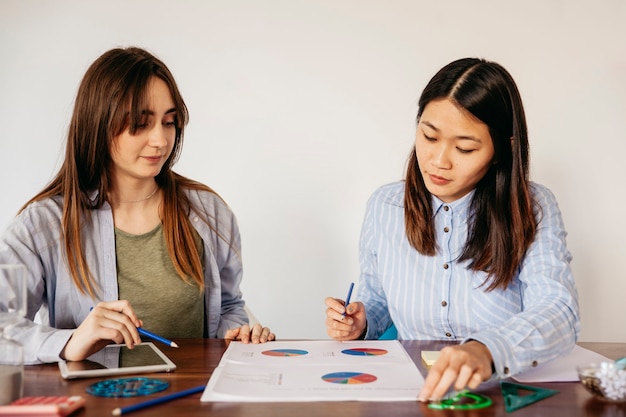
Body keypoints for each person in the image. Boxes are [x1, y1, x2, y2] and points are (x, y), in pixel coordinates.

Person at [324, 58, 580, 401]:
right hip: (414, 391)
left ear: (502, 149)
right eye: (429, 136)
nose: (438, 160)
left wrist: (487, 350)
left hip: (501, 392)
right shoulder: (385, 206)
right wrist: (361, 321)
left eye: (465, 148)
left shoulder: (532, 207)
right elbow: (377, 296)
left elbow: (558, 310)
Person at [0, 47, 275, 365]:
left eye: (169, 122)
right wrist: (70, 342)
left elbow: (228, 307)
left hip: (192, 404)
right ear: (99, 124)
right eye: (141, 124)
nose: (160, 140)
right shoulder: (43, 226)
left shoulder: (209, 213)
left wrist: (238, 334)